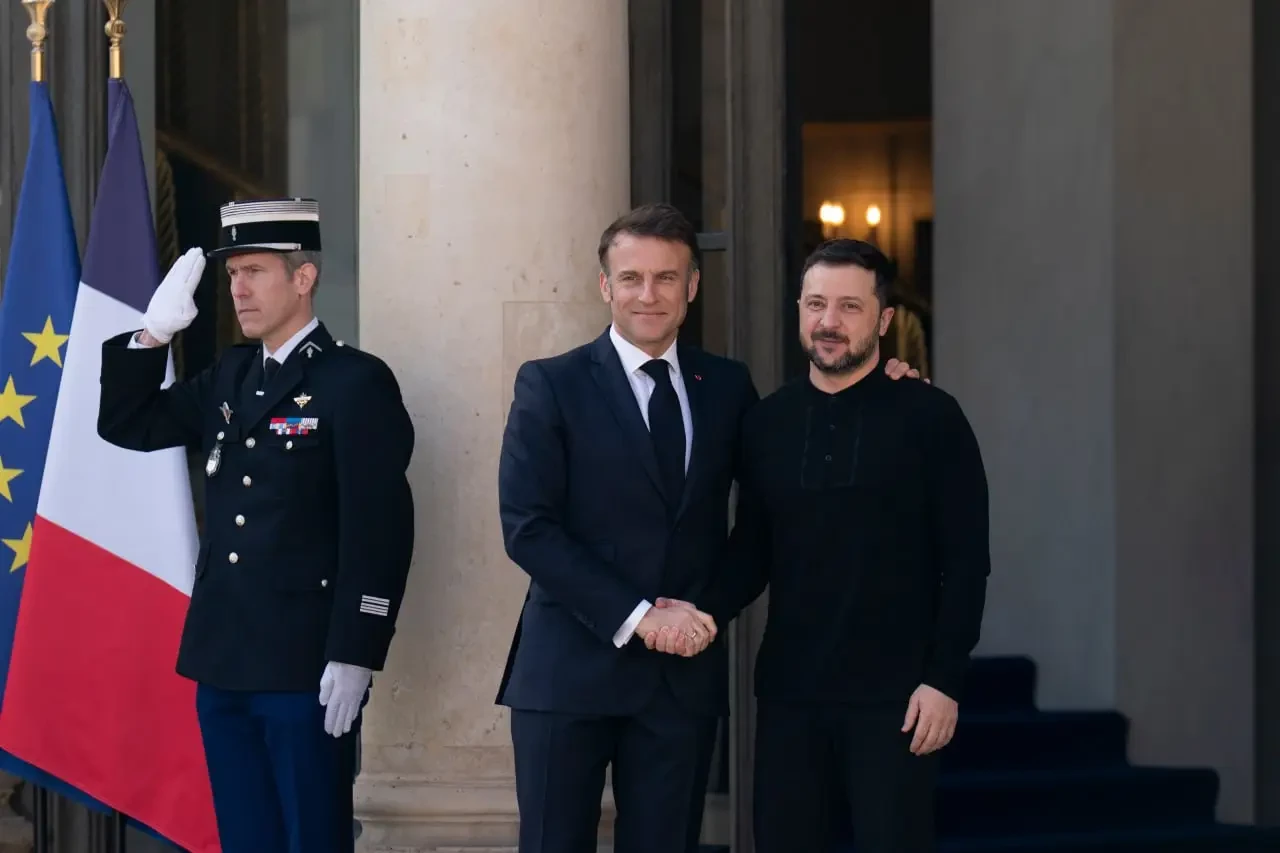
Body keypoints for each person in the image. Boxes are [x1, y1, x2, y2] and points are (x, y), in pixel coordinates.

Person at [495, 205, 923, 853]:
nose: (649, 294)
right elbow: (529, 528)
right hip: (567, 674)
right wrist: (640, 617)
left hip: (680, 685)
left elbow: (770, 511)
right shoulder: (551, 384)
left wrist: (883, 389)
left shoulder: (725, 386)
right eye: (631, 278)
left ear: (692, 285)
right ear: (606, 286)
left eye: (666, 277)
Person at [96, 198, 416, 853]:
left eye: (255, 271)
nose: (237, 289)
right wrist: (151, 336)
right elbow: (129, 423)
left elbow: (380, 527)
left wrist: (357, 648)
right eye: (232, 273)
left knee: (311, 835)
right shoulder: (232, 374)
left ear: (303, 278)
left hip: (304, 661)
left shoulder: (354, 381)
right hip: (223, 657)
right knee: (245, 838)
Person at [650, 237, 989, 852]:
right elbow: (753, 549)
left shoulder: (933, 418)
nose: (829, 322)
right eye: (815, 304)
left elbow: (966, 563)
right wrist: (698, 611)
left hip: (898, 701)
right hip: (790, 695)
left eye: (849, 307)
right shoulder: (767, 422)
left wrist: (944, 680)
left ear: (884, 319)